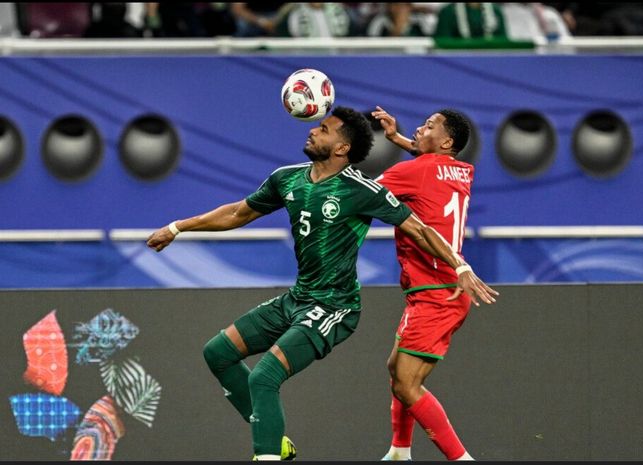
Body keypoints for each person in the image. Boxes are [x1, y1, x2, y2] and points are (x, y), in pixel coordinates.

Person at [146, 106, 498, 461]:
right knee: (218, 353)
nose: (314, 131)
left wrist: (460, 265)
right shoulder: (288, 178)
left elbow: (415, 224)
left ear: (343, 149)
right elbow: (239, 212)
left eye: (325, 129)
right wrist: (178, 227)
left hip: (341, 304)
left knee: (272, 376)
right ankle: (363, 448)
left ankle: (450, 458)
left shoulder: (362, 189)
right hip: (302, 297)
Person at [371, 106, 496, 461]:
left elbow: (364, 194)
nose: (419, 130)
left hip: (435, 292)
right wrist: (399, 140)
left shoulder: (410, 172)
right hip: (442, 291)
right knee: (396, 369)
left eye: (428, 126)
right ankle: (399, 451)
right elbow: (429, 164)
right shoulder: (461, 170)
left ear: (447, 141)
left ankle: (461, 459)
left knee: (407, 383)